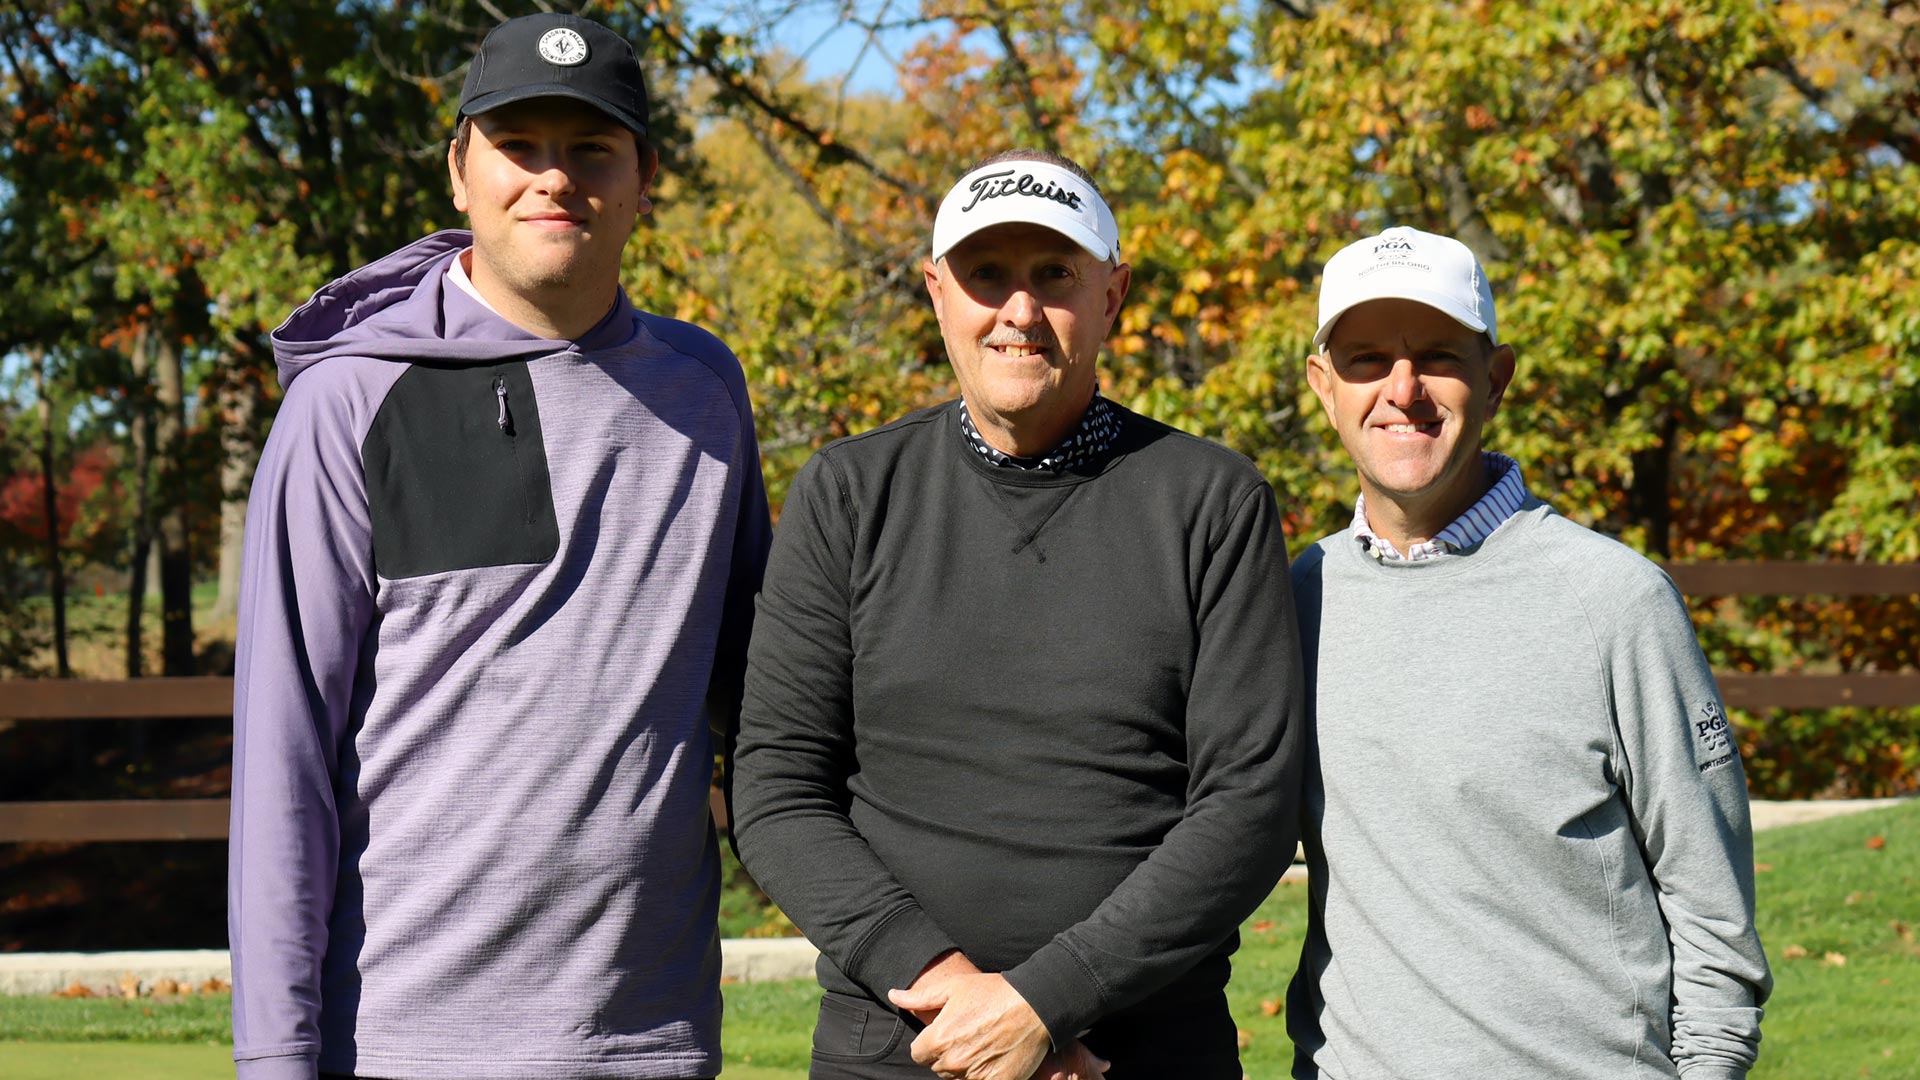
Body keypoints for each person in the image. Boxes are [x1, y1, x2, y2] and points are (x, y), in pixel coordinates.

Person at [227, 13, 769, 1080]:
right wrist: (275, 1060)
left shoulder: (706, 394)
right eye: (520, 145)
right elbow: (284, 764)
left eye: (591, 147)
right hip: (403, 1047)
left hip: (653, 1044)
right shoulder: (349, 403)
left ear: (645, 177)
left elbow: (764, 706)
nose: (553, 178)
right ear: (460, 170)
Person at [731, 149, 1305, 1080]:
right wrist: (956, 993)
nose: (1020, 312)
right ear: (936, 291)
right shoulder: (849, 493)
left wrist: (1050, 999)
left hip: (1141, 1049)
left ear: (1113, 293)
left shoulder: (1211, 500)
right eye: (987, 275)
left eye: (1055, 276)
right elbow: (776, 788)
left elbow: (1249, 806)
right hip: (899, 1041)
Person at [1285, 225, 1772, 1078]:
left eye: (1436, 355)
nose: (1403, 391)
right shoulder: (1297, 597)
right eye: (1366, 360)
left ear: (1496, 379)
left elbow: (1713, 918)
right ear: (1325, 388)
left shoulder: (1616, 601)